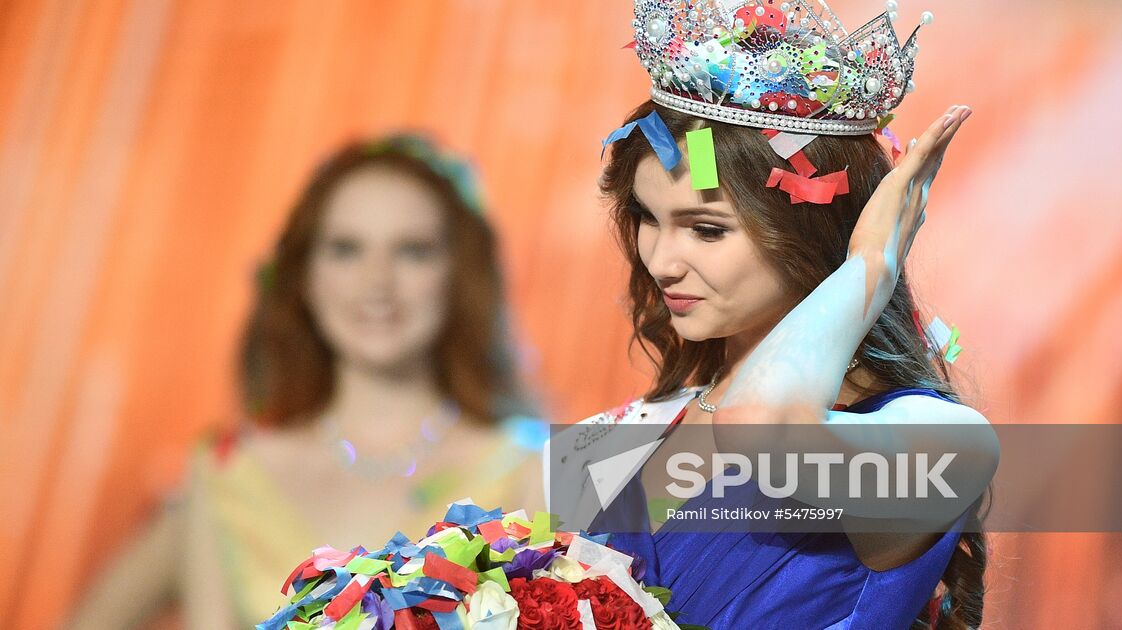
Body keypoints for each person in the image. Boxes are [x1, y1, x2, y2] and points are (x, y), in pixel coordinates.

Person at [548, 2, 998, 628]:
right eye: (648, 219)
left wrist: (869, 265)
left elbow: (762, 429)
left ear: (811, 231)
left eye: (706, 230)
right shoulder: (619, 434)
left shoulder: (941, 442)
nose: (662, 261)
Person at [67, 134, 545, 628]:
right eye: (345, 249)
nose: (376, 281)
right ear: (304, 274)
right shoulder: (231, 476)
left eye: (413, 251)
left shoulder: (529, 471)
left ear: (460, 273)